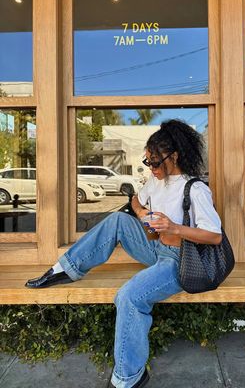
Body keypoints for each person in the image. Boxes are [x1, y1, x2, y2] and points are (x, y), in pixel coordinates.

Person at [25, 119, 222, 388]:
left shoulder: (195, 189)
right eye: (148, 161)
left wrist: (174, 226)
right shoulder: (157, 182)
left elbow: (215, 236)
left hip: (180, 261)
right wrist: (141, 214)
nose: (150, 167)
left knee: (129, 297)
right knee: (117, 220)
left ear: (174, 156)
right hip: (155, 248)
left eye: (155, 161)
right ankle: (65, 268)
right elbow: (135, 201)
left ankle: (129, 377)